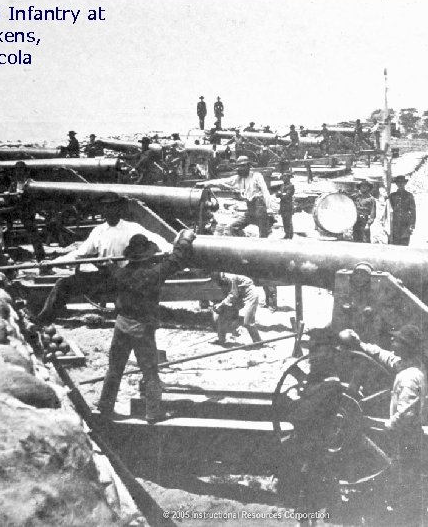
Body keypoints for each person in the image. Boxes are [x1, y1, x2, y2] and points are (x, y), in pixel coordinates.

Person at [97, 231, 196, 423]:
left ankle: (104, 407)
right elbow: (176, 261)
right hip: (141, 328)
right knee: (150, 371)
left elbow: (107, 270)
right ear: (148, 256)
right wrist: (185, 240)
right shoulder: (154, 273)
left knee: (114, 369)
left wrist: (106, 264)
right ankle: (153, 413)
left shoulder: (120, 273)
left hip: (121, 325)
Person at [33, 193, 170, 324]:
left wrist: (168, 250)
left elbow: (157, 239)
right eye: (105, 207)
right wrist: (52, 263)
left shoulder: (132, 228)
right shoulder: (98, 231)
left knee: (129, 311)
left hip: (123, 277)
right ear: (102, 210)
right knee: (63, 284)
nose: (109, 210)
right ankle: (43, 320)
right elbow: (79, 254)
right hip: (102, 277)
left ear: (119, 208)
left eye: (112, 206)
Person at [341, 325, 427, 523]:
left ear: (406, 347)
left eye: (396, 341)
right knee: (403, 472)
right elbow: (385, 356)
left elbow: (407, 413)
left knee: (405, 473)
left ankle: (405, 518)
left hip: (407, 435)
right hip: (408, 433)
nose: (392, 342)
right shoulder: (409, 365)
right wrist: (361, 345)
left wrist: (388, 425)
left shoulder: (410, 377)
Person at [202, 156, 272, 237]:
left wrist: (269, 208)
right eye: (239, 166)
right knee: (233, 227)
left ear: (249, 166)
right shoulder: (239, 178)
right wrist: (207, 183)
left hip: (260, 209)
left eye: (243, 166)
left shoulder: (256, 176)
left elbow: (265, 192)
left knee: (263, 235)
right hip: (250, 210)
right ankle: (245, 242)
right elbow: (224, 181)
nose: (240, 168)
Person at [210, 272, 262, 344]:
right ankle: (221, 340)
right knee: (222, 314)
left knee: (248, 322)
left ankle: (258, 342)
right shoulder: (220, 280)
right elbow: (229, 295)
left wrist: (221, 304)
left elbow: (233, 295)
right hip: (240, 296)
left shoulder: (230, 278)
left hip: (250, 295)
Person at [389, 175, 416, 246]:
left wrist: (412, 225)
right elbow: (389, 209)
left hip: (405, 223)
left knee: (404, 243)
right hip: (395, 223)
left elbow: (413, 211)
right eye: (398, 183)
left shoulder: (409, 195)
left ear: (405, 184)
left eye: (402, 183)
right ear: (396, 184)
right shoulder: (392, 196)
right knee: (394, 244)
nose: (400, 184)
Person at [277, 171, 295, 239]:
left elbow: (287, 195)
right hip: (282, 205)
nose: (283, 178)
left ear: (289, 178)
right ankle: (286, 234)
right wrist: (281, 194)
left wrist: (280, 194)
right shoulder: (282, 185)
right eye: (283, 177)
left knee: (288, 220)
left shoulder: (291, 186)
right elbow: (277, 194)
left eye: (285, 177)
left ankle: (290, 235)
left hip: (288, 205)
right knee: (284, 220)